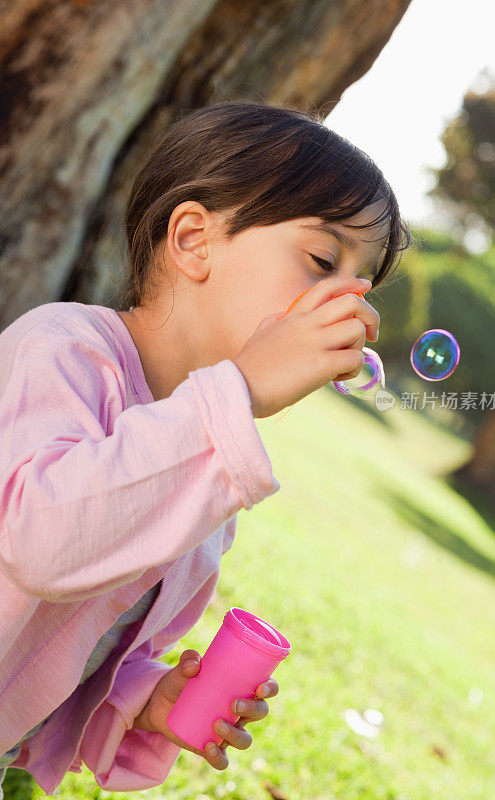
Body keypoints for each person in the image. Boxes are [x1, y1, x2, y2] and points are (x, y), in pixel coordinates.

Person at [0, 100, 412, 797]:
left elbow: (75, 630)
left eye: (362, 283)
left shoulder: (204, 453)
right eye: (321, 259)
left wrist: (147, 698)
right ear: (193, 240)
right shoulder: (64, 349)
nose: (348, 307)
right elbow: (41, 540)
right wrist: (241, 389)